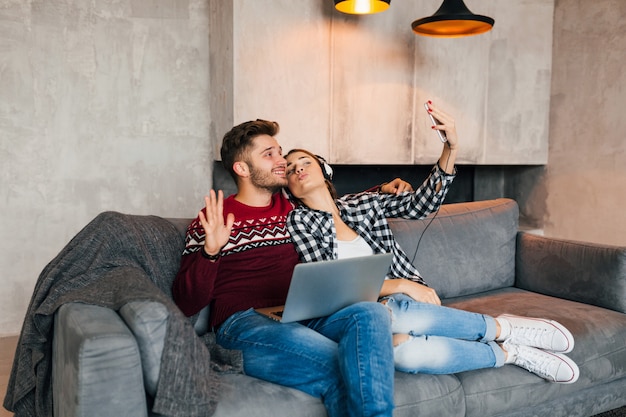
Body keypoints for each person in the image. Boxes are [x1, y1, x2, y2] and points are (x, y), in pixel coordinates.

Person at [284, 102, 580, 384]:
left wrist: (450, 148)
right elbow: (332, 283)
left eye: (305, 161)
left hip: (403, 305)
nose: (297, 168)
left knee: (396, 315)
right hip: (361, 312)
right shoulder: (299, 221)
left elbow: (421, 206)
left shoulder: (363, 204)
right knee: (402, 351)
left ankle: (506, 335)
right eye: (289, 169)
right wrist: (401, 284)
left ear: (324, 171)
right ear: (288, 188)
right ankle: (509, 344)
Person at [172, 119, 415, 417]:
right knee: (341, 366)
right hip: (245, 323)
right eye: (269, 154)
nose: (281, 162)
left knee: (371, 311)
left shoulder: (292, 208)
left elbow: (331, 202)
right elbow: (186, 302)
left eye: (279, 151)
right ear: (242, 169)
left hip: (303, 314)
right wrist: (210, 252)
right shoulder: (214, 219)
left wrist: (383, 189)